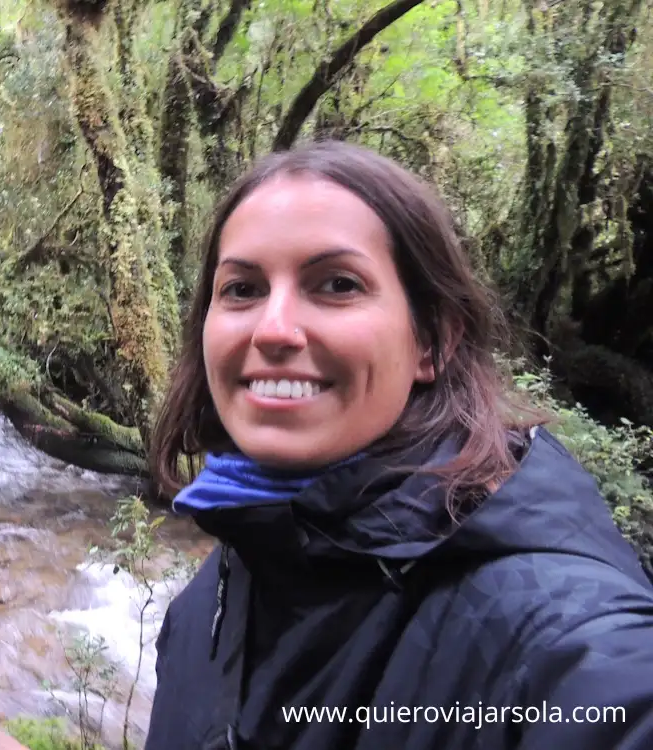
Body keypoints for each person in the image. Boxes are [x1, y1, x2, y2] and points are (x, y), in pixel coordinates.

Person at [143, 140, 653, 750]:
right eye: (242, 289)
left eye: (336, 283)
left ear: (431, 342)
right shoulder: (213, 599)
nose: (273, 328)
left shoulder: (553, 635)